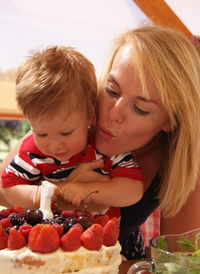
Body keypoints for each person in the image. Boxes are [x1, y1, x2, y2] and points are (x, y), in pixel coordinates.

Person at [1, 24, 200, 260]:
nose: (113, 113)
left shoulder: (179, 164)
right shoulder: (67, 126)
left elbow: (180, 264)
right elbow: (5, 187)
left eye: (139, 108)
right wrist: (53, 190)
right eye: (111, 91)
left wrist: (91, 191)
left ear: (171, 120)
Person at [1, 46, 143, 219]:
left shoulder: (103, 146)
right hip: (48, 239)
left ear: (89, 115)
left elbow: (133, 190)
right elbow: (9, 184)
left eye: (66, 133)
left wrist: (86, 190)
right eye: (42, 134)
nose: (54, 146)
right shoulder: (31, 152)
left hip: (100, 239)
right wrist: (37, 195)